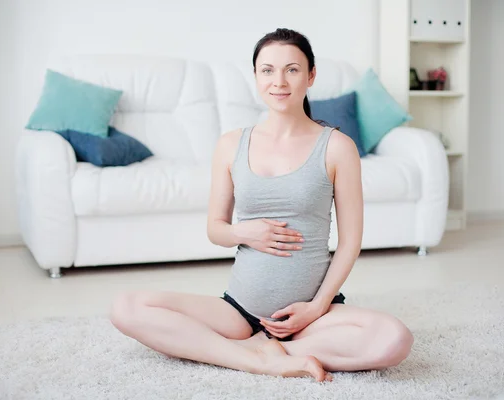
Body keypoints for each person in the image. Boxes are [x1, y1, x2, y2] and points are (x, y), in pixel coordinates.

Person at [110, 28, 414, 382]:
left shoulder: (337, 147)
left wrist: (316, 307)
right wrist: (245, 232)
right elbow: (215, 229)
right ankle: (257, 359)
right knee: (127, 307)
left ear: (311, 75)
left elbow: (349, 243)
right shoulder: (230, 144)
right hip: (238, 312)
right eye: (267, 70)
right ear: (256, 77)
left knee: (395, 339)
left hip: (311, 317)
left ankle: (263, 350)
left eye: (292, 69)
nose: (279, 81)